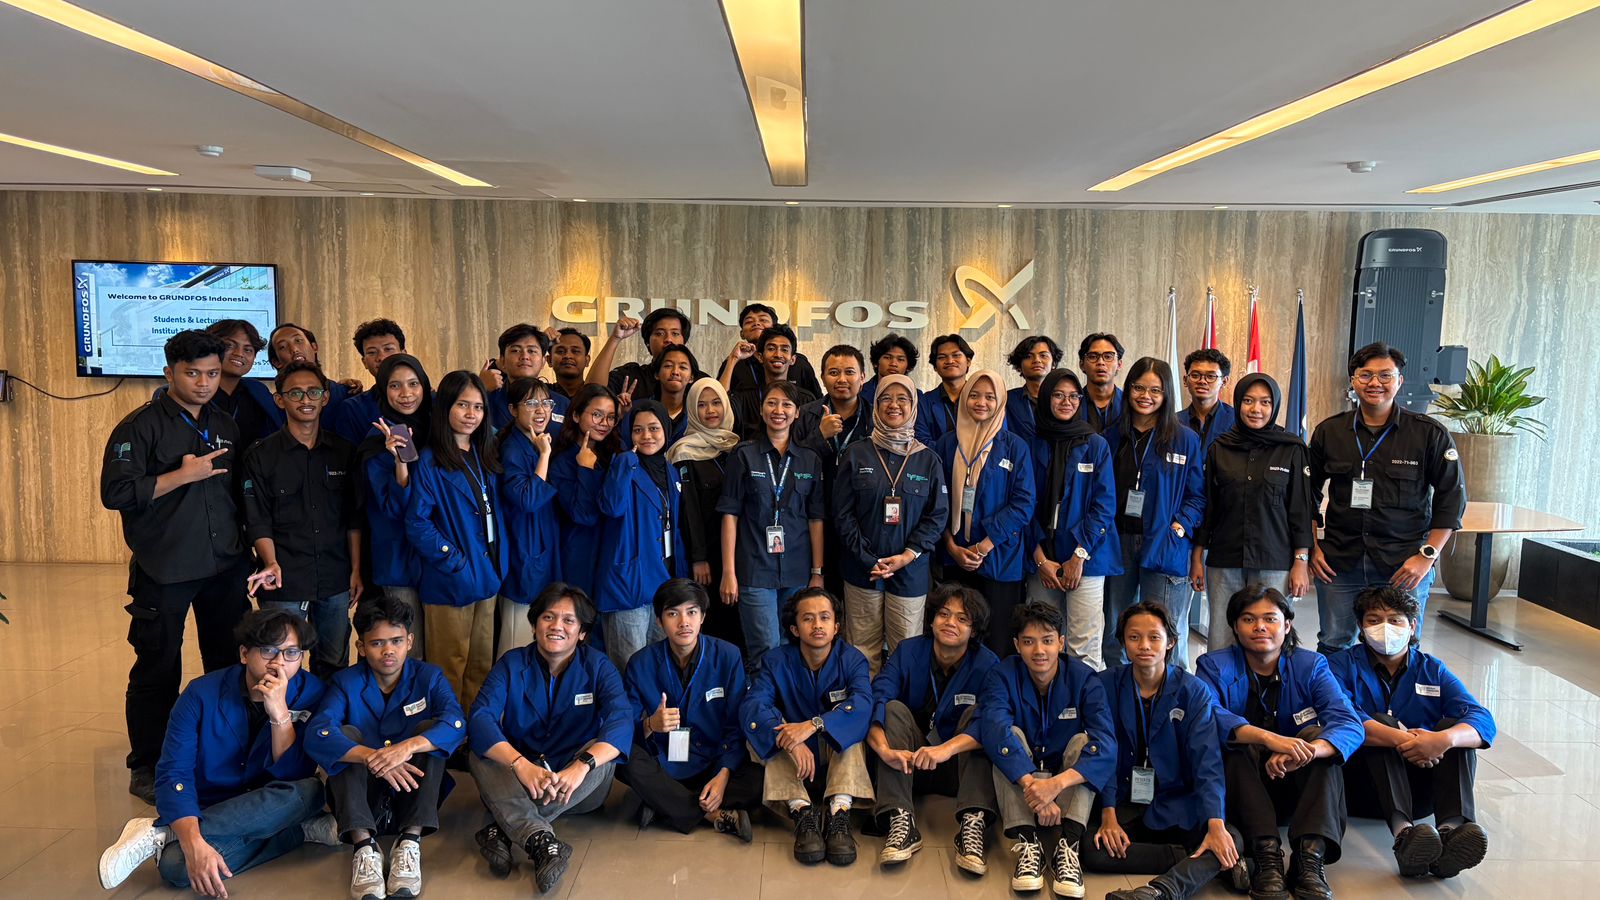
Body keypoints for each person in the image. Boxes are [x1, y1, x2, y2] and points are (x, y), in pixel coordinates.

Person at [101, 329, 254, 804]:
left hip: (224, 564)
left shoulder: (225, 423)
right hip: (164, 567)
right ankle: (147, 764)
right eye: (192, 374)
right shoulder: (139, 426)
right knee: (157, 667)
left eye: (212, 373)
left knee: (228, 663)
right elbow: (116, 493)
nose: (204, 383)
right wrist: (181, 475)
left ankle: (221, 754)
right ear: (169, 372)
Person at [97, 609, 338, 893]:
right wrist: (193, 841)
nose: (279, 662)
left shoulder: (313, 694)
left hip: (274, 798)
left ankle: (163, 833)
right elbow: (174, 772)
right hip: (214, 805)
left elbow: (293, 775)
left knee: (310, 791)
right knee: (176, 866)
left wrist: (280, 714)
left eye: (292, 653)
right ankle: (297, 830)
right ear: (244, 654)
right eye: (268, 650)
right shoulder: (200, 694)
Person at [1195, 585, 1363, 900]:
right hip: (1240, 790)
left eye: (1270, 619)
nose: (1260, 627)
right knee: (1234, 744)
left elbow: (1349, 723)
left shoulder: (1311, 665)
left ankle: (1309, 858)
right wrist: (1271, 739)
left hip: (1294, 786)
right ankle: (1266, 854)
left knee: (1318, 738)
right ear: (1235, 627)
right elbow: (1209, 716)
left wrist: (1305, 752)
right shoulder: (1213, 665)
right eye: (1249, 619)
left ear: (1286, 625)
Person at [468, 583, 629, 893]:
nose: (557, 626)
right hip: (521, 779)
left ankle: (504, 827)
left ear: (582, 633)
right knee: (480, 750)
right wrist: (519, 764)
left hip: (577, 789)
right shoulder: (512, 664)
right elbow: (480, 719)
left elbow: (621, 721)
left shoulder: (599, 666)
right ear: (534, 625)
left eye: (569, 620)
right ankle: (541, 841)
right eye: (548, 617)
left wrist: (580, 767)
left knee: (603, 755)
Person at [1326, 586, 1493, 880]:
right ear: (1361, 627)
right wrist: (1410, 742)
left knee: (1454, 727)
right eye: (1374, 620)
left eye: (1395, 619)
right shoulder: (1339, 665)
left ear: (1412, 625)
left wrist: (1442, 740)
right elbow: (1343, 718)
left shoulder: (1431, 669)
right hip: (1362, 787)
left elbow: (1482, 719)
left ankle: (1451, 834)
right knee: (1381, 724)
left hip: (1422, 789)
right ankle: (1404, 836)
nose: (1385, 628)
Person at [305, 596, 466, 900]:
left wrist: (407, 748)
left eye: (396, 641)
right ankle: (364, 847)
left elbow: (456, 723)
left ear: (410, 641)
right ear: (361, 647)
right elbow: (317, 733)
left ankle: (410, 842)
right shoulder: (345, 682)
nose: (388, 650)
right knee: (345, 734)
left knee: (430, 731)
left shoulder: (429, 677)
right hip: (362, 798)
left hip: (413, 793)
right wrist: (370, 756)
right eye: (377, 643)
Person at [1309, 342, 1465, 654]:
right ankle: (1339, 691)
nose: (1375, 383)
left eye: (1385, 375)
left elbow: (1452, 498)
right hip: (1340, 562)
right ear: (1353, 381)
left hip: (1404, 563)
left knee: (1400, 647)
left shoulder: (1428, 434)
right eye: (1365, 375)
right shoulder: (1330, 431)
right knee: (1335, 644)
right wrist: (1312, 548)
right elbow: (1306, 494)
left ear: (1399, 381)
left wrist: (1427, 556)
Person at [1085, 602, 1248, 900]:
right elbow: (1104, 751)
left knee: (1231, 837)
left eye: (1154, 637)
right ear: (1122, 642)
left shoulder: (1193, 690)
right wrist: (1108, 814)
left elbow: (1207, 762)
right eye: (1134, 637)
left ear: (1171, 641)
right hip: (1124, 800)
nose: (1144, 646)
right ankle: (1195, 859)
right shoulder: (1104, 684)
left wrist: (1214, 823)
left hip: (1177, 802)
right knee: (1091, 850)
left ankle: (1160, 892)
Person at [979, 601, 1115, 898]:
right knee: (1007, 737)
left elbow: (1106, 744)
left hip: (1064, 782)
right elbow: (993, 730)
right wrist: (1034, 788)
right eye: (1029, 642)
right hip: (1022, 781)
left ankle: (1069, 845)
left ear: (1061, 643)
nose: (1039, 650)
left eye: (1048, 641)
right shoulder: (1001, 675)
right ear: (1017, 645)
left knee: (1085, 743)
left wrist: (1055, 785)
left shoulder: (1084, 678)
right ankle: (1029, 844)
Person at [241, 361, 363, 678]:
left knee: (334, 664)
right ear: (280, 400)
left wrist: (356, 570)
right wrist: (270, 562)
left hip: (335, 576)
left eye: (313, 392)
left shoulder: (344, 452)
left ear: (325, 397)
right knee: (279, 665)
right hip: (284, 578)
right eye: (295, 393)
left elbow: (353, 518)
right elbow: (257, 518)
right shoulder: (261, 455)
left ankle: (327, 713)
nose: (305, 400)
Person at [866, 585, 1000, 872]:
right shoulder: (908, 651)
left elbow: (994, 722)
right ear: (931, 619)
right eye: (944, 614)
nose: (950, 623)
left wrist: (945, 750)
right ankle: (900, 819)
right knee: (892, 709)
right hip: (908, 764)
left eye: (962, 619)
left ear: (974, 631)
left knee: (979, 716)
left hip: (958, 768)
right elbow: (877, 699)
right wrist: (884, 750)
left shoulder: (988, 664)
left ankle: (972, 824)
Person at [740, 589, 875, 866]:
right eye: (808, 618)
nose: (817, 625)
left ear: (836, 626)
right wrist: (793, 740)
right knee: (772, 730)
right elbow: (753, 705)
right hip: (793, 760)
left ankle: (839, 812)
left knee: (851, 730)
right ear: (794, 629)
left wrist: (815, 725)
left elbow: (862, 704)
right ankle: (801, 811)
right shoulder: (775, 661)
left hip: (832, 752)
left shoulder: (852, 659)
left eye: (825, 618)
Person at [621, 579, 763, 840]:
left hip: (711, 760)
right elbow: (624, 727)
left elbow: (735, 726)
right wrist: (650, 725)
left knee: (761, 780)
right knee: (622, 760)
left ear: (703, 617)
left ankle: (663, 803)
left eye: (691, 612)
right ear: (659, 621)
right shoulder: (640, 663)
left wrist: (723, 774)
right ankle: (711, 814)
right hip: (664, 762)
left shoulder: (728, 656)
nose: (684, 622)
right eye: (673, 614)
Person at [831, 375, 948, 674]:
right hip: (861, 570)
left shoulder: (928, 460)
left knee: (905, 653)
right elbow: (842, 514)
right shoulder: (856, 453)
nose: (893, 405)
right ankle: (863, 702)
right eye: (885, 398)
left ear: (913, 406)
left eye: (902, 399)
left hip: (910, 572)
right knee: (861, 651)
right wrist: (867, 558)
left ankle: (897, 704)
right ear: (876, 404)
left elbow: (937, 515)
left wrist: (908, 555)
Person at [404, 371, 506, 707]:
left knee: (480, 666)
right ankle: (447, 731)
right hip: (451, 579)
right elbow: (417, 523)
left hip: (487, 574)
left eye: (478, 406)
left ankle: (474, 730)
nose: (471, 414)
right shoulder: (430, 460)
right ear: (445, 406)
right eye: (462, 405)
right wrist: (454, 560)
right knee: (449, 668)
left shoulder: (483, 454)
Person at [1192, 374, 1314, 652]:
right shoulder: (1220, 448)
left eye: (1265, 402)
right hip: (1225, 557)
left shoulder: (1291, 449)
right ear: (1238, 403)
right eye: (1248, 401)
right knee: (1222, 635)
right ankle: (1220, 681)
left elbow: (1300, 509)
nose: (1256, 409)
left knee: (1268, 637)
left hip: (1274, 559)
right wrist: (1197, 557)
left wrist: (1301, 561)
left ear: (1275, 406)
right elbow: (1209, 507)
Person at [1102, 359, 1205, 669]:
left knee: (1166, 627)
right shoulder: (1111, 437)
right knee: (1116, 626)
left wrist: (1180, 526)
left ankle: (1171, 692)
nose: (1145, 396)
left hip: (1164, 541)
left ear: (1166, 394)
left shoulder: (1185, 439)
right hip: (1118, 542)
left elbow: (1197, 495)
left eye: (1155, 390)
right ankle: (1121, 686)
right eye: (1138, 388)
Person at [717, 380, 827, 668]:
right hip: (755, 570)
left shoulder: (810, 460)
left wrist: (817, 572)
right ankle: (763, 698)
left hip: (797, 571)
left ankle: (790, 698)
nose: (779, 410)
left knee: (795, 647)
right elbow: (730, 515)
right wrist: (729, 572)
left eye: (787, 405)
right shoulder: (743, 454)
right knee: (765, 648)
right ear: (762, 409)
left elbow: (816, 519)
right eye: (772, 403)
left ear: (797, 412)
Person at [936, 369, 1037, 653]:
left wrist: (984, 546)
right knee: (956, 637)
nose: (981, 402)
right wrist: (952, 547)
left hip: (999, 556)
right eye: (975, 395)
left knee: (997, 640)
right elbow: (936, 501)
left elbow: (1024, 502)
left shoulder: (1015, 447)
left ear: (1000, 401)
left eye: (990, 397)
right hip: (955, 557)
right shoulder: (947, 443)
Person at [1026, 370, 1119, 670]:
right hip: (1042, 557)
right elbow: (1023, 504)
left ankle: (1084, 699)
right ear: (1045, 398)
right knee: (1041, 639)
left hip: (1087, 557)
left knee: (1084, 645)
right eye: (1058, 395)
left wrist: (1078, 555)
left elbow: (1104, 506)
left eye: (1073, 396)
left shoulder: (1095, 444)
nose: (1066, 402)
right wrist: (1040, 559)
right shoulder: (1031, 443)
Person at [597, 399, 686, 669]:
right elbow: (612, 507)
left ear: (665, 431)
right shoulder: (623, 464)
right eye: (638, 430)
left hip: (662, 581)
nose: (647, 436)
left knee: (659, 665)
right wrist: (624, 463)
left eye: (654, 428)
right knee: (629, 665)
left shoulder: (670, 471)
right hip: (630, 582)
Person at [360, 353, 433, 660]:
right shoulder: (378, 439)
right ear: (382, 390)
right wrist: (398, 460)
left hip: (435, 558)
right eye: (395, 386)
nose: (406, 393)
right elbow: (392, 508)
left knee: (441, 649)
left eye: (413, 384)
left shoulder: (437, 429)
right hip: (399, 562)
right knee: (409, 652)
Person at [669, 377, 746, 650]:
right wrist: (699, 557)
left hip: (741, 552)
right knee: (713, 621)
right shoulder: (684, 452)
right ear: (691, 409)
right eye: (701, 405)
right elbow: (688, 511)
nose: (710, 410)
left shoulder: (737, 448)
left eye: (716, 403)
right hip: (707, 556)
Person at [795, 345, 873, 598]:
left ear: (862, 377)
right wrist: (820, 436)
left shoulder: (874, 417)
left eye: (849, 372)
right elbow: (792, 466)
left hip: (860, 521)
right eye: (833, 372)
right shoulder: (806, 414)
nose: (841, 379)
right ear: (822, 377)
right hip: (815, 517)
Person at [495, 377, 560, 659]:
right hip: (524, 549)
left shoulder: (533, 440)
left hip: (541, 545)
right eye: (531, 403)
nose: (541, 410)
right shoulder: (513, 448)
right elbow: (528, 499)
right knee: (517, 641)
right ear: (512, 409)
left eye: (546, 403)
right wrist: (544, 455)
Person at [548, 385, 622, 601]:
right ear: (576, 415)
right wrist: (585, 470)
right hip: (579, 556)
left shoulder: (612, 453)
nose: (604, 423)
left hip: (611, 553)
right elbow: (584, 515)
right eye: (597, 415)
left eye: (611, 417)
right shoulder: (562, 460)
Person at [727, 325, 817, 439]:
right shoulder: (745, 398)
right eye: (771, 349)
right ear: (760, 357)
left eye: (784, 350)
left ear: (792, 359)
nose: (778, 355)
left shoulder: (806, 399)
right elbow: (721, 406)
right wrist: (733, 358)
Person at [588, 309, 703, 399]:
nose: (668, 339)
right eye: (659, 333)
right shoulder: (631, 376)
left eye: (675, 333)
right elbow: (591, 393)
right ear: (648, 342)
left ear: (684, 342)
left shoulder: (699, 382)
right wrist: (615, 338)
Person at [328, 318, 408, 445]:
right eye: (372, 352)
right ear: (364, 362)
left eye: (388, 349)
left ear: (404, 354)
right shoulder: (353, 409)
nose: (381, 357)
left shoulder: (430, 400)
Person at [716, 302, 823, 397]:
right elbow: (718, 400)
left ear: (774, 327)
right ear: (742, 333)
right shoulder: (733, 363)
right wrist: (733, 359)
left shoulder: (798, 363)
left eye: (763, 320)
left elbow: (816, 400)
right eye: (749, 321)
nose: (756, 323)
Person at [201, 318, 280, 446]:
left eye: (248, 349)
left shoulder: (259, 393)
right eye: (229, 346)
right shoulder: (193, 392)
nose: (239, 354)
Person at [481, 324, 568, 431]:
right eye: (515, 350)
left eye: (531, 351)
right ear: (502, 361)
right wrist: (480, 389)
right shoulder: (485, 400)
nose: (524, 356)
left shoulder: (562, 404)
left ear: (543, 361)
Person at [266, 322, 353, 416]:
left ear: (314, 347)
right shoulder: (271, 408)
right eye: (282, 347)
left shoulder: (346, 394)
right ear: (276, 362)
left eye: (298, 341)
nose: (294, 349)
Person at [914, 333, 973, 449]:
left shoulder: (984, 400)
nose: (950, 361)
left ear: (968, 361)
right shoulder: (924, 402)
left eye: (956, 355)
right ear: (935, 367)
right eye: (942, 357)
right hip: (937, 460)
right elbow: (921, 441)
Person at [1005, 335, 1063, 444]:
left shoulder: (1066, 399)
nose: (1036, 360)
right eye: (1028, 356)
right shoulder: (1007, 400)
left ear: (1054, 363)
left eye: (1043, 356)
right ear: (1019, 366)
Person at [1178, 349, 1236, 458]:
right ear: (1185, 380)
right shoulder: (1173, 422)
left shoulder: (1236, 421)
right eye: (1195, 375)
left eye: (1210, 376)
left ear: (1224, 382)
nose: (1202, 381)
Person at [639, 344, 697, 444]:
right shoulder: (640, 410)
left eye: (682, 367)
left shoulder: (697, 414)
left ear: (691, 377)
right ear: (657, 374)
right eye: (668, 366)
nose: (675, 372)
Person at [1078, 333, 1125, 434]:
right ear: (1082, 365)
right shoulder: (1072, 404)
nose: (1100, 362)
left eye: (1108, 356)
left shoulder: (1128, 404)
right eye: (1093, 357)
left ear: (1119, 364)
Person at [861, 332, 918, 408]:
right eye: (887, 357)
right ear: (876, 362)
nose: (893, 364)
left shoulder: (917, 396)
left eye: (900, 359)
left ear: (908, 366)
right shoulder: (859, 393)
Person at [549, 327, 592, 402]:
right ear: (549, 360)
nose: (568, 356)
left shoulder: (598, 395)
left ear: (587, 360)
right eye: (560, 351)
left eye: (575, 351)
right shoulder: (540, 393)